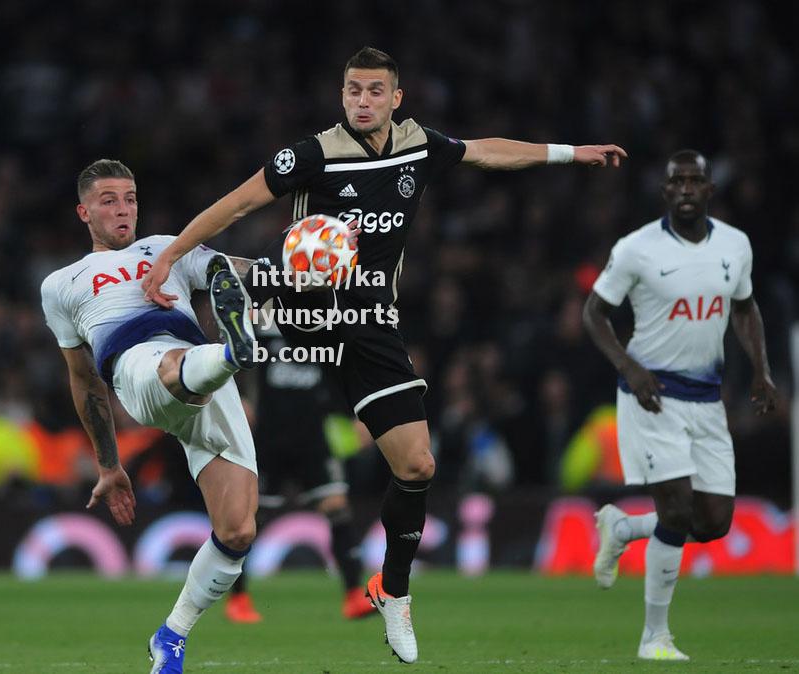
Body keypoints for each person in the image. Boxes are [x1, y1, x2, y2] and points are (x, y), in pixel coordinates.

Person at [141, 47, 626, 664]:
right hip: (299, 317)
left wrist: (569, 153)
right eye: (353, 90)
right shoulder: (313, 154)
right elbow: (238, 202)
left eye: (375, 91)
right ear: (341, 95)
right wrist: (169, 253)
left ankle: (391, 589)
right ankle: (192, 309)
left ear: (396, 98)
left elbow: (485, 150)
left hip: (370, 324)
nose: (362, 101)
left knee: (417, 466)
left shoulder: (417, 145)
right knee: (252, 440)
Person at [40, 159, 260, 674]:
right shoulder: (62, 284)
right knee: (170, 366)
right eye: (109, 200)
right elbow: (83, 380)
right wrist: (109, 464)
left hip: (200, 372)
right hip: (137, 368)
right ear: (84, 211)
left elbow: (233, 269)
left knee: (238, 531)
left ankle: (171, 635)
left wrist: (308, 266)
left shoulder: (168, 246)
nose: (123, 209)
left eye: (130, 198)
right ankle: (235, 349)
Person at [583, 150, 777, 661]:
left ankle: (624, 528)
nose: (686, 188)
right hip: (651, 396)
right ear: (664, 191)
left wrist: (762, 369)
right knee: (675, 508)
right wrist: (629, 367)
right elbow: (594, 313)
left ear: (710, 188)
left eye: (696, 180)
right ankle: (655, 638)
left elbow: (744, 306)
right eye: (677, 181)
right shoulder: (636, 249)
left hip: (706, 399)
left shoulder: (736, 245)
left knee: (714, 521)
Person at [225, 318, 376, 624]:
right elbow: (231, 354)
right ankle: (238, 598)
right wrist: (237, 396)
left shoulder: (323, 325)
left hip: (313, 437)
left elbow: (342, 372)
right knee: (249, 520)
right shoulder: (264, 323)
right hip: (269, 438)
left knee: (336, 507)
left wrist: (355, 414)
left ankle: (352, 596)